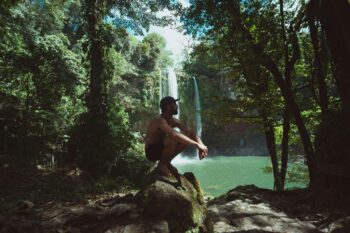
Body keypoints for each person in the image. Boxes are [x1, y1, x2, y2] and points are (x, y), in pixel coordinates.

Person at [145, 96, 208, 176]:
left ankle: (167, 162)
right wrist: (196, 145)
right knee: (173, 138)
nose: (177, 106)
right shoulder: (160, 120)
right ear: (168, 106)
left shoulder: (173, 120)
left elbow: (190, 131)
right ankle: (161, 165)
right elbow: (173, 134)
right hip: (151, 152)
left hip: (162, 148)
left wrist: (201, 145)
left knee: (187, 136)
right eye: (174, 104)